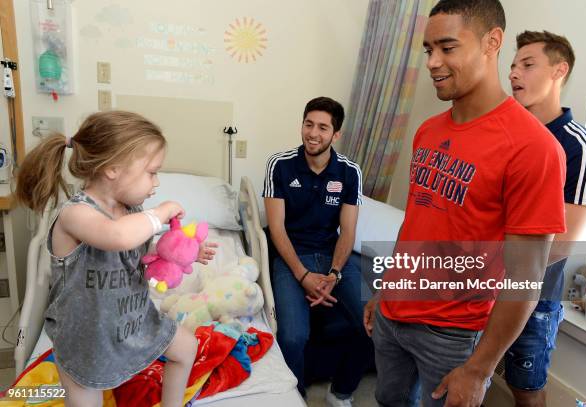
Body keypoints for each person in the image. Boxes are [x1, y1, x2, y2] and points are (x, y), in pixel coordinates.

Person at [362, 1, 567, 406]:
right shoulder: (428, 130)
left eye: (448, 47)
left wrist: (480, 368)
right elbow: (416, 224)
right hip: (392, 315)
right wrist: (385, 289)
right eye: (427, 50)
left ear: (492, 42)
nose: (433, 62)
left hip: (451, 333)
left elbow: (526, 275)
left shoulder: (534, 148)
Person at [15, 111, 215, 407]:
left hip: (132, 322)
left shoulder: (132, 211)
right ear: (112, 168)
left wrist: (179, 253)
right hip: (87, 340)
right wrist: (160, 213)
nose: (157, 182)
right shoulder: (76, 214)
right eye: (152, 172)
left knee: (186, 348)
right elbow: (118, 237)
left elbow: (134, 255)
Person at [507, 30, 586, 407]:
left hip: (533, 299)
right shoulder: (508, 136)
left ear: (559, 71)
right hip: (475, 285)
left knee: (526, 391)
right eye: (513, 65)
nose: (515, 73)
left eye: (528, 65)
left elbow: (561, 242)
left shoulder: (581, 147)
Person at [263, 96, 370, 406]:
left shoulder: (349, 172)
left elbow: (348, 231)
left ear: (336, 135)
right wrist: (303, 275)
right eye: (308, 124)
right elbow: (278, 229)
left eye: (323, 127)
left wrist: (334, 274)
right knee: (292, 337)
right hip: (290, 256)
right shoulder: (280, 165)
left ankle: (341, 392)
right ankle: (295, 396)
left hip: (332, 254)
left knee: (372, 325)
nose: (313, 133)